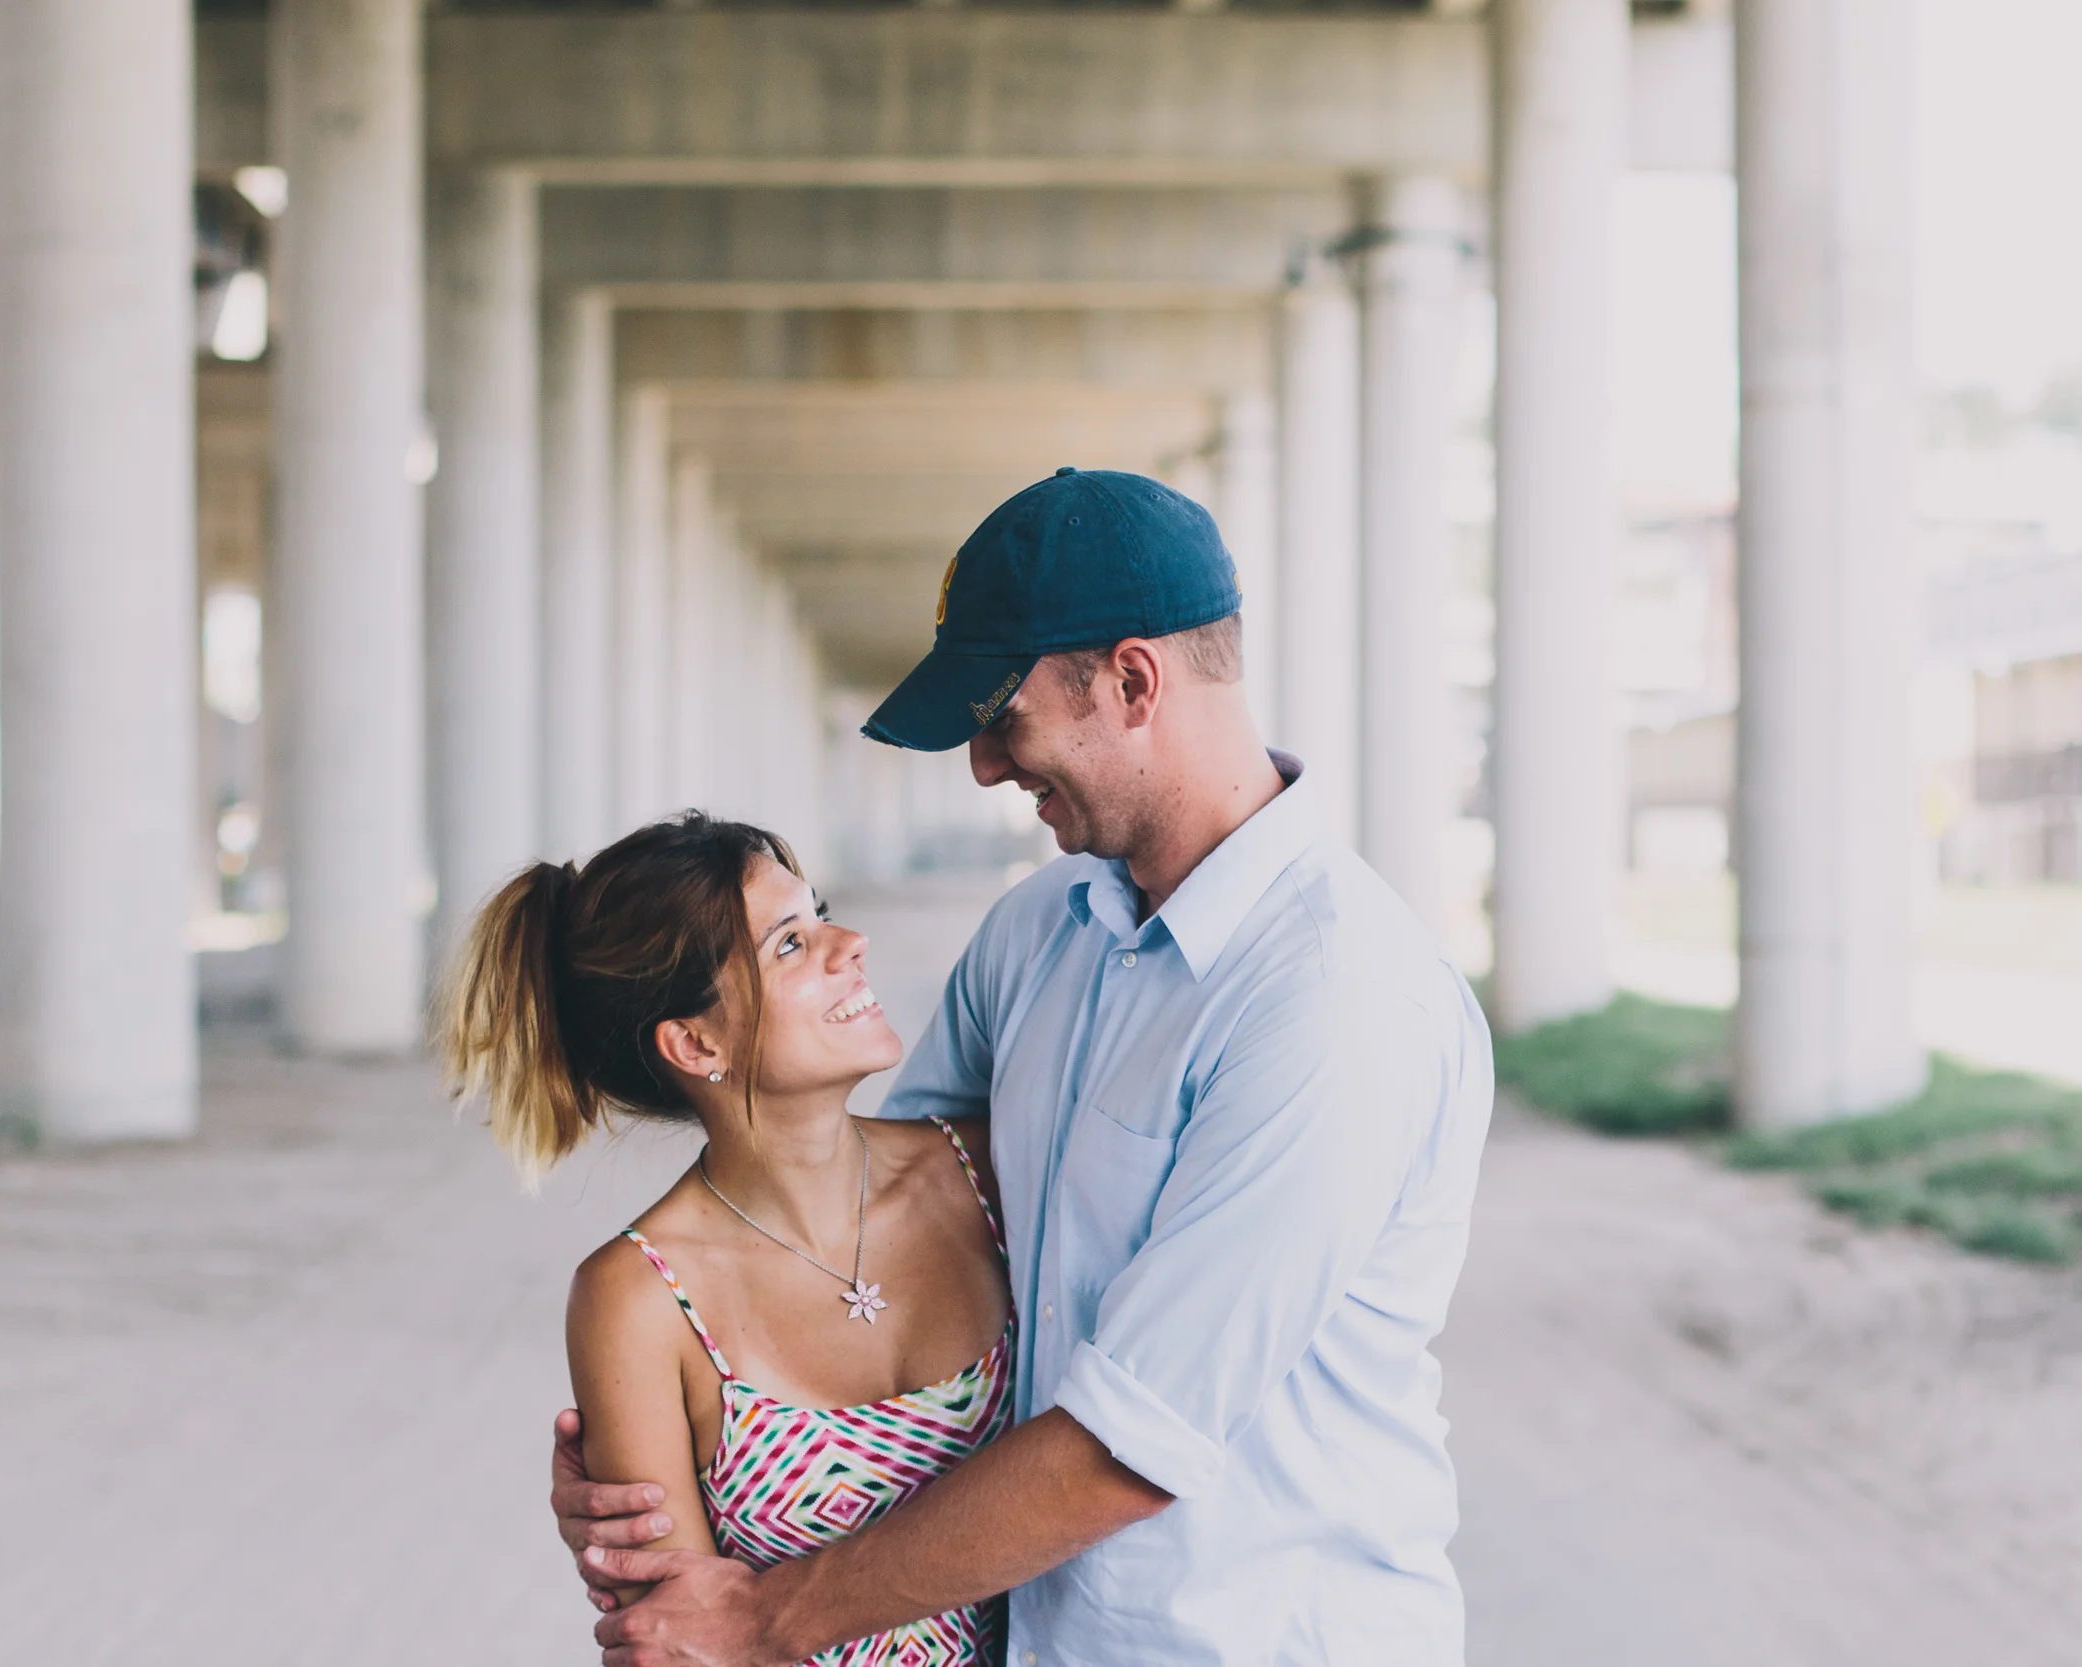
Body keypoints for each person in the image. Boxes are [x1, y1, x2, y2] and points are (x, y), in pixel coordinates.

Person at [554, 468, 1497, 1667]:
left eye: (1002, 711)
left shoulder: (1331, 999)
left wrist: (755, 1613)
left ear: (1132, 679)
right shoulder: (1037, 932)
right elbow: (880, 1241)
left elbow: (1129, 1443)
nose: (986, 765)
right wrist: (660, 1468)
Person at [438, 816, 1022, 1665]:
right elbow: (671, 1641)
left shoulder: (990, 1171)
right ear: (695, 1042)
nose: (851, 942)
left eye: (819, 913)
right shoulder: (636, 1297)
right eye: (789, 944)